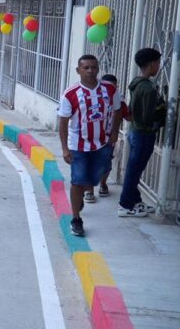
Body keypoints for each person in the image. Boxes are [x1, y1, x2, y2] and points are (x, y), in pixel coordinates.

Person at [58, 55, 121, 236]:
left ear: (98, 69)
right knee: (77, 181)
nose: (90, 71)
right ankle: (76, 219)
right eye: (85, 67)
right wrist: (64, 148)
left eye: (93, 67)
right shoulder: (70, 94)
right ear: (78, 70)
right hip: (78, 146)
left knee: (95, 177)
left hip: (102, 144)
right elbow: (63, 122)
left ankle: (83, 193)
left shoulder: (110, 89)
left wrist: (114, 133)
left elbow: (117, 111)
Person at [118, 48, 165, 217]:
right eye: (158, 63)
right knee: (134, 170)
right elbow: (147, 116)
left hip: (135, 131)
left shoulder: (136, 83)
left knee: (134, 168)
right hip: (144, 133)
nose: (159, 66)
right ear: (151, 64)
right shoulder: (148, 88)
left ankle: (135, 201)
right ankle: (125, 204)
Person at [98, 74, 131, 198]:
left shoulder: (120, 100)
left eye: (112, 87)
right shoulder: (93, 97)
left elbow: (127, 116)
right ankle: (89, 191)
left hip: (109, 136)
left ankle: (102, 184)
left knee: (106, 161)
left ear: (116, 87)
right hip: (91, 136)